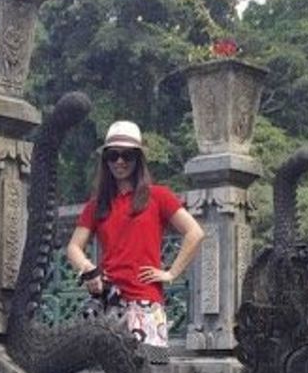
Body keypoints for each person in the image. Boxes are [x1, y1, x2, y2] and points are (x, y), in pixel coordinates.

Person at [65, 120, 204, 347]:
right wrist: (89, 270)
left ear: (138, 159)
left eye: (127, 155)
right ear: (105, 160)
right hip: (109, 302)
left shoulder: (159, 196)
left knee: (154, 371)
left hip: (147, 302)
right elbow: (73, 247)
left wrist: (171, 273)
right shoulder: (97, 205)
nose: (120, 161)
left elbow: (195, 232)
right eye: (113, 155)